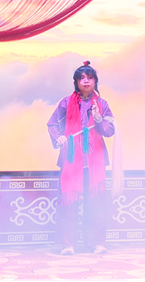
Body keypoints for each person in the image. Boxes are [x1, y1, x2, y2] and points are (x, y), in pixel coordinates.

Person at [47, 61, 115, 255]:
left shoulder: (101, 104)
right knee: (68, 202)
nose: (86, 81)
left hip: (95, 161)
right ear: (75, 82)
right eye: (82, 78)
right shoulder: (65, 103)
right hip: (71, 160)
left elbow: (109, 130)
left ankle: (96, 243)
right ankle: (68, 244)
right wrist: (59, 137)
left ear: (95, 81)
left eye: (90, 78)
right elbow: (53, 125)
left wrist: (99, 118)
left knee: (96, 202)